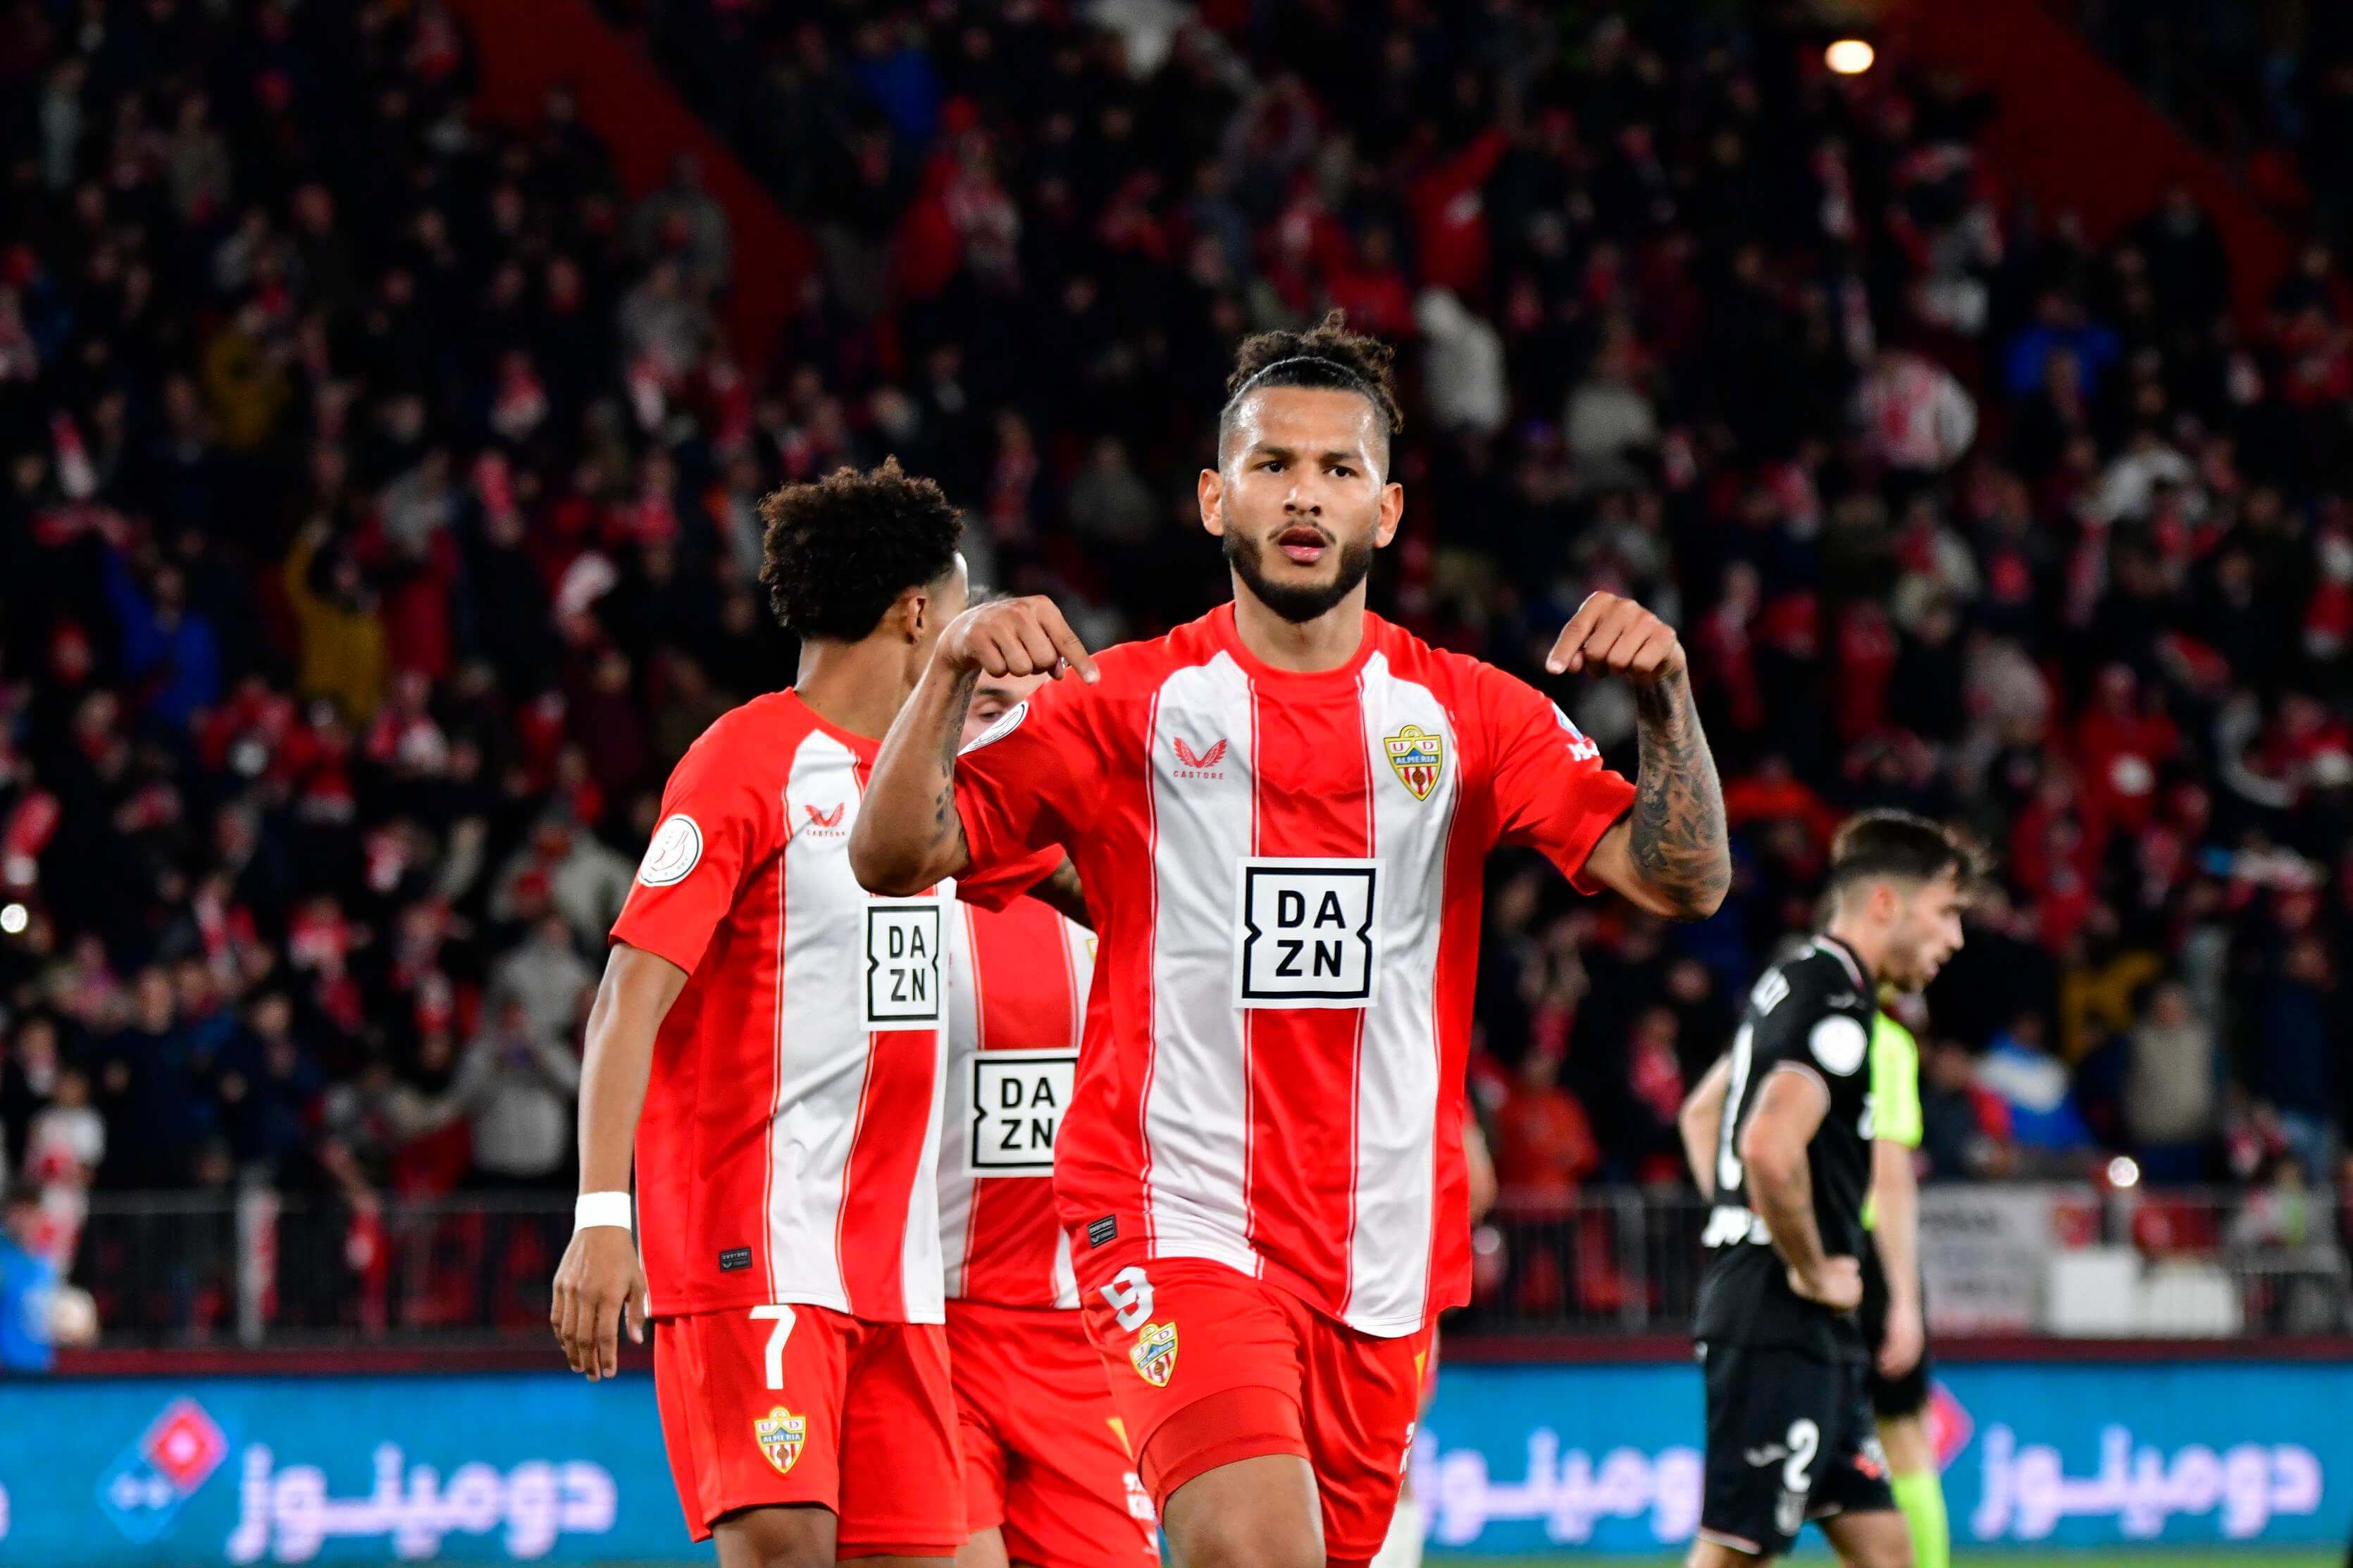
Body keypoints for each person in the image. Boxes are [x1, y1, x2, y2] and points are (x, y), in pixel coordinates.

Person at [852, 313, 1730, 1568]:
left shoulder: (1469, 715)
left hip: (1382, 1251)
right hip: (1173, 1215)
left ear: (1389, 510)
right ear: (1216, 499)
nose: (1304, 496)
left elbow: (1680, 879)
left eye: (1338, 469)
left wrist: (1670, 704)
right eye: (1272, 466)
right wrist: (945, 678)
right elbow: (892, 858)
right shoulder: (1124, 707)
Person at [548, 461, 1071, 1568]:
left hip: (898, 1279)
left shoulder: (937, 793)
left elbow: (1114, 884)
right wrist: (604, 1213)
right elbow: (628, 994)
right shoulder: (745, 762)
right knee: (787, 1549)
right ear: (920, 612)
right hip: (758, 1254)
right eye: (962, 595)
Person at [1675, 811, 1973, 1568]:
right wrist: (1802, 1258)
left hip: (1808, 1322)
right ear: (1883, 903)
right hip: (1784, 1309)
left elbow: (1703, 1113)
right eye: (1944, 914)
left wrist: (1739, 1219)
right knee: (1735, 1551)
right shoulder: (1834, 1005)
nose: (1954, 940)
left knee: (1885, 1550)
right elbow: (1768, 1147)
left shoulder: (1790, 981)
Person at [938, 657, 1158, 1568]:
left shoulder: (1118, 881)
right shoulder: (889, 874)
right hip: (926, 1319)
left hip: (1082, 1329)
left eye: (1031, 712)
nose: (1013, 730)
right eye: (987, 707)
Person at [1856, 999, 1949, 1568]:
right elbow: (1889, 1173)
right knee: (1904, 1435)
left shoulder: (1774, 1024)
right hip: (1869, 1252)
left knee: (1774, 1453)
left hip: (1788, 1248)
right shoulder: (1882, 1041)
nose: (1950, 941)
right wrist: (1904, 1302)